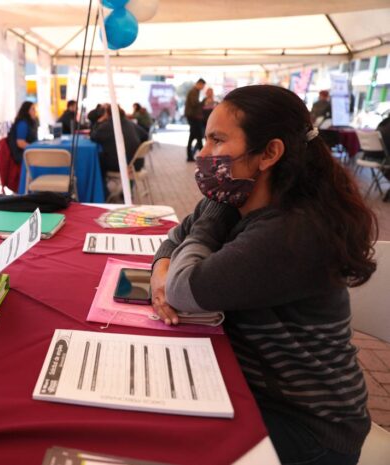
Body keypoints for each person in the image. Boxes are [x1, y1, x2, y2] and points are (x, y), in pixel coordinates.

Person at [150, 85, 375, 465]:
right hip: (258, 392)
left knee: (167, 441)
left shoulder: (291, 232)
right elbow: (175, 238)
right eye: (205, 139)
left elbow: (185, 289)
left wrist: (206, 226)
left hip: (308, 428)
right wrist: (163, 271)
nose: (203, 154)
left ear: (269, 153)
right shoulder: (238, 200)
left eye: (217, 140)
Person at [90, 105, 145, 183]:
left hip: (122, 164)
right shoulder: (130, 123)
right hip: (136, 163)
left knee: (96, 159)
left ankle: (103, 191)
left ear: (107, 114)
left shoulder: (109, 125)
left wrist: (99, 122)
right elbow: (145, 135)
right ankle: (121, 189)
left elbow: (93, 137)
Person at [185, 78, 206, 161]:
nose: (203, 88)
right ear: (199, 84)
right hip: (193, 117)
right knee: (198, 136)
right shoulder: (194, 91)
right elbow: (194, 104)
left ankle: (191, 156)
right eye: (202, 86)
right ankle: (202, 156)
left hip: (193, 117)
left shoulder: (195, 91)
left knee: (195, 136)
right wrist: (203, 102)